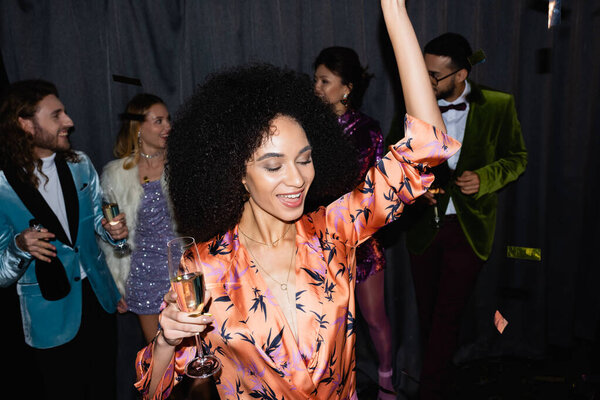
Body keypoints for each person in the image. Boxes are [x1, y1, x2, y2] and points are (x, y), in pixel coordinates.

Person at [135, 1, 460, 399]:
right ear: (236, 171)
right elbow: (154, 393)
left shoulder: (336, 229)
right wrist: (167, 340)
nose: (297, 178)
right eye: (274, 166)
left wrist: (394, 12)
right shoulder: (203, 266)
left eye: (304, 159)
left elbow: (425, 146)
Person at [390, 33, 528, 399]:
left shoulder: (499, 105)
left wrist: (485, 178)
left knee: (448, 316)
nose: (426, 81)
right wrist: (416, 190)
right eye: (424, 72)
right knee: (428, 315)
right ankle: (444, 379)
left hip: (469, 228)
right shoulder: (411, 106)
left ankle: (430, 392)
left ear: (461, 75)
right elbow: (392, 163)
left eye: (434, 75)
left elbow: (518, 159)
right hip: (423, 230)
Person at [0, 79, 128, 399]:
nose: (69, 122)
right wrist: (19, 247)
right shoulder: (2, 185)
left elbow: (97, 221)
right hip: (50, 312)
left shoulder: (80, 165)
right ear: (25, 124)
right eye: (56, 115)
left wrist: (111, 231)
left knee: (105, 388)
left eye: (65, 113)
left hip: (97, 300)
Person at [313, 46, 394, 399]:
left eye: (324, 81)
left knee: (374, 320)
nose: (316, 86)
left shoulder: (365, 130)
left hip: (357, 240)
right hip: (314, 242)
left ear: (346, 87)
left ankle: (387, 379)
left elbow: (361, 187)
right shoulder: (307, 126)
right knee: (329, 327)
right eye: (315, 79)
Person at [99, 93, 175, 344]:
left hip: (184, 271)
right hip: (143, 277)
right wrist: (117, 285)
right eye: (159, 121)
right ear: (138, 128)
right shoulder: (116, 174)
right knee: (158, 355)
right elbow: (110, 240)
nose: (167, 127)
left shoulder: (181, 165)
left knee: (195, 355)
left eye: (168, 120)